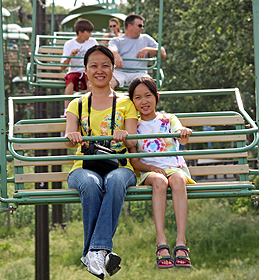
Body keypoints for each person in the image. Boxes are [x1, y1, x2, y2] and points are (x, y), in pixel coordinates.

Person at [64, 45, 138, 279]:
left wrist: (125, 136)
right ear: (85, 70)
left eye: (105, 65)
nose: (99, 70)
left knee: (116, 180)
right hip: (84, 167)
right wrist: (73, 137)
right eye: (94, 66)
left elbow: (133, 140)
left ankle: (92, 252)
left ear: (113, 69)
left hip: (120, 166)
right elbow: (68, 139)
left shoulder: (126, 103)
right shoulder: (77, 104)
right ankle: (102, 251)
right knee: (90, 183)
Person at [128, 77, 193, 269]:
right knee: (160, 183)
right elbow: (135, 162)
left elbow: (180, 135)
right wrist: (151, 169)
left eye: (148, 95)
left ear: (156, 97)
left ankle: (181, 242)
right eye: (138, 97)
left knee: (179, 180)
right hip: (150, 172)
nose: (144, 101)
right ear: (132, 102)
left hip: (174, 168)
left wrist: (183, 133)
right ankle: (161, 241)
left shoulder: (168, 119)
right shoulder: (134, 126)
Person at [108, 14, 166, 89]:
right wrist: (115, 54)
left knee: (147, 87)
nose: (142, 28)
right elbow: (111, 49)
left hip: (140, 73)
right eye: (140, 26)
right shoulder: (117, 40)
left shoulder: (146, 38)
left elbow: (163, 53)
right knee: (105, 85)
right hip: (120, 72)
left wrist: (148, 50)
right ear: (130, 26)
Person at [61, 19, 98, 109]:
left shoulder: (92, 42)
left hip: (87, 71)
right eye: (88, 32)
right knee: (70, 80)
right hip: (74, 71)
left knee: (91, 82)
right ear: (80, 32)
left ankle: (86, 107)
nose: (90, 35)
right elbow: (63, 67)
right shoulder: (69, 44)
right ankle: (67, 109)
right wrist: (71, 55)